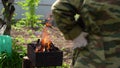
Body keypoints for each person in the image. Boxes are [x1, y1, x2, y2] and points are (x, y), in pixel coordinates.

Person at [51, 0, 120, 68]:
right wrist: (76, 35)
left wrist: (76, 35)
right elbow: (60, 8)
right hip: (94, 55)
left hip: (92, 56)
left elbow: (60, 8)